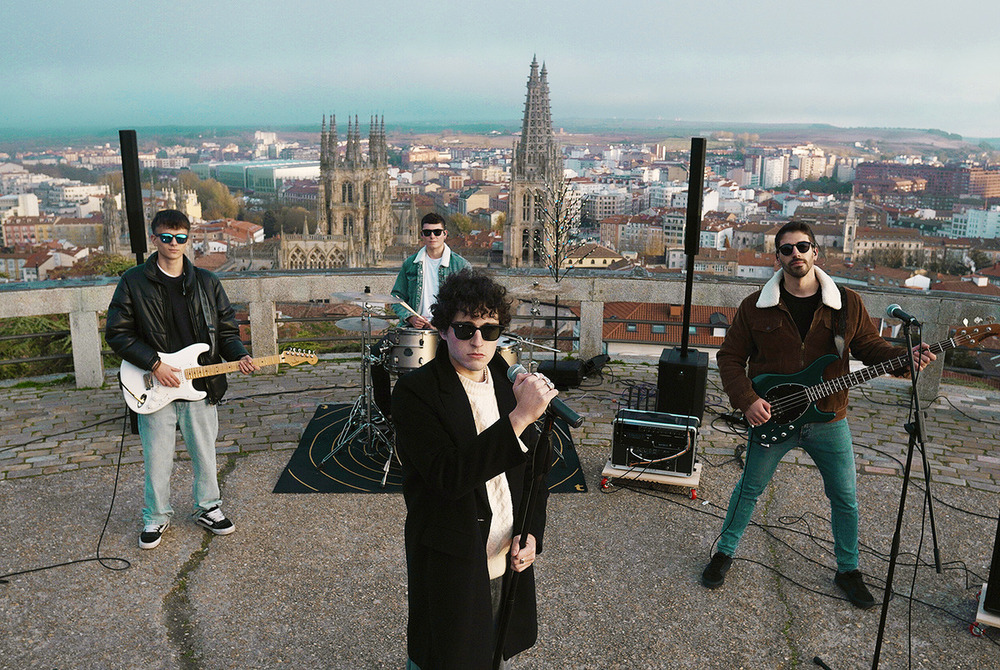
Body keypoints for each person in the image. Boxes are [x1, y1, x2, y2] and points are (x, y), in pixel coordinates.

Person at [702, 221, 935, 608]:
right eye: (787, 249)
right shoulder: (754, 306)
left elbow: (872, 349)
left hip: (829, 416)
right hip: (773, 416)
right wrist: (746, 400)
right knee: (749, 489)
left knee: (845, 496)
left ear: (815, 253)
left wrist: (904, 360)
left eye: (803, 247)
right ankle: (724, 552)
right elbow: (728, 357)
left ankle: (848, 570)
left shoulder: (846, 303)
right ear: (777, 257)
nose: (796, 254)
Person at [392, 269, 557, 669]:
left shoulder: (505, 377)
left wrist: (531, 533)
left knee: (490, 653)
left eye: (490, 329)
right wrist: (519, 418)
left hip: (504, 557)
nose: (478, 341)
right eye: (465, 329)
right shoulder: (416, 393)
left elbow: (536, 471)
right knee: (444, 657)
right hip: (453, 561)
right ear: (444, 330)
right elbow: (449, 476)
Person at [106, 209, 257, 550]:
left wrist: (238, 356)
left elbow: (227, 331)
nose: (174, 244)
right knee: (157, 456)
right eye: (167, 237)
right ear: (154, 238)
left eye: (181, 238)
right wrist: (154, 363)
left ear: (188, 239)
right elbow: (117, 333)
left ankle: (209, 508)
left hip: (199, 383)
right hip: (154, 381)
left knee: (205, 453)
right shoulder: (133, 281)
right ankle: (155, 517)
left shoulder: (207, 282)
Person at [371, 213, 470, 418]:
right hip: (412, 329)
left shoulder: (461, 266)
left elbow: (468, 303)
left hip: (445, 330)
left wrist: (444, 322)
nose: (432, 236)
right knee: (375, 355)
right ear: (422, 235)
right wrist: (409, 317)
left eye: (436, 232)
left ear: (445, 234)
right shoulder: (411, 264)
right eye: (427, 232)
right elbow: (397, 296)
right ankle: (387, 412)